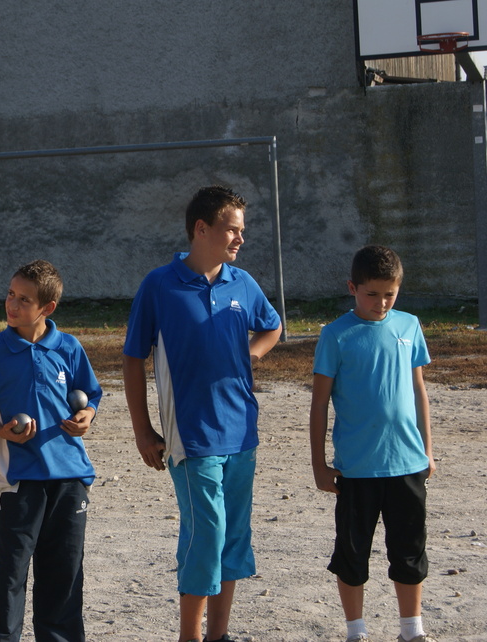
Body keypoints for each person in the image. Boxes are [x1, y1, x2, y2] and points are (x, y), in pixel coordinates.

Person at [122, 185, 282, 642]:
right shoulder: (160, 285)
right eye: (232, 229)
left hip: (241, 433)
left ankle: (219, 635)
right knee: (206, 536)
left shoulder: (242, 283)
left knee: (232, 537)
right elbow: (133, 357)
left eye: (242, 231)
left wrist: (249, 354)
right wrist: (142, 430)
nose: (239, 239)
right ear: (201, 228)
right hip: (190, 437)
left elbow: (272, 327)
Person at [0, 259, 101, 642]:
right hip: (19, 478)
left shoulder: (68, 347)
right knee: (11, 572)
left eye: (24, 299)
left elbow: (91, 395)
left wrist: (86, 414)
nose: (13, 304)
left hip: (70, 476)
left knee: (64, 572)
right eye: (11, 294)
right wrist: (2, 432)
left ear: (47, 308)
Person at [309, 245, 436, 642]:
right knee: (352, 553)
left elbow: (419, 390)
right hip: (356, 468)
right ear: (353, 287)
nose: (381, 303)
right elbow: (319, 404)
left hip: (407, 464)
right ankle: (355, 631)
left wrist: (427, 450)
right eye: (372, 294)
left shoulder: (409, 325)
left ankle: (411, 630)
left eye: (390, 294)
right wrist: (319, 464)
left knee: (409, 549)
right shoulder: (335, 335)